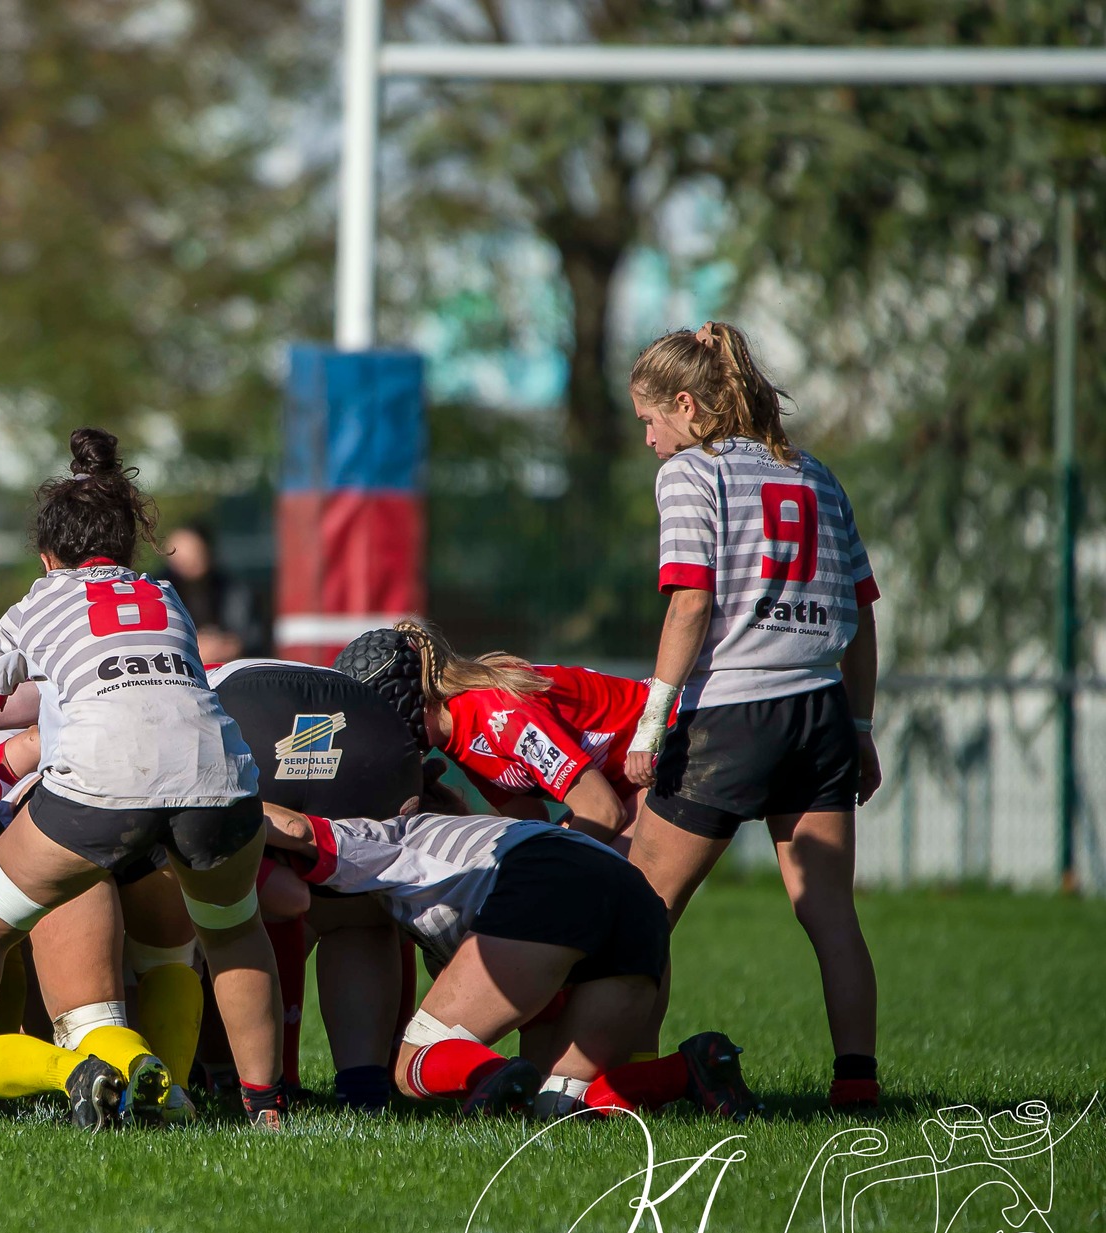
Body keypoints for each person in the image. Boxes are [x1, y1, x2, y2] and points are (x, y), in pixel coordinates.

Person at [0, 427, 284, 1130]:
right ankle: (266, 1114)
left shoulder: (41, 600)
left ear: (48, 554)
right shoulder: (166, 596)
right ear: (125, 547)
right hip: (219, 778)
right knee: (235, 933)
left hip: (104, 784)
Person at [622, 320, 884, 1111]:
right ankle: (857, 1082)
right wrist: (862, 729)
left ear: (687, 403)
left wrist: (652, 722)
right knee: (829, 910)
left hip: (729, 717)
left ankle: (627, 1077)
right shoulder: (818, 476)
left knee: (640, 908)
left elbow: (691, 600)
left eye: (649, 420)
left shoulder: (692, 475)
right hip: (819, 709)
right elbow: (863, 614)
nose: (647, 441)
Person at [257, 768, 760, 1122]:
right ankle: (689, 1069)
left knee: (414, 1065)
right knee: (560, 1106)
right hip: (633, 894)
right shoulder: (467, 843)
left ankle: (492, 1075)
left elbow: (300, 829)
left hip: (545, 880)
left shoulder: (386, 833)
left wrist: (220, 805)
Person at [203, 655, 424, 1109]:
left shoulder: (187, 676)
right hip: (364, 723)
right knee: (356, 917)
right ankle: (365, 1090)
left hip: (247, 719)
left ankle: (234, 1077)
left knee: (220, 911)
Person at [333, 621, 655, 852]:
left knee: (628, 914)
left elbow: (602, 812)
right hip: (627, 777)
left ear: (398, 703)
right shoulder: (457, 737)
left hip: (677, 738)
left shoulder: (496, 715)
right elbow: (531, 821)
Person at [159, 524, 264, 664]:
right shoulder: (161, 592)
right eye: (179, 556)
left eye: (195, 554)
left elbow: (252, 636)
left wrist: (225, 646)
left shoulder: (233, 590)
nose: (188, 563)